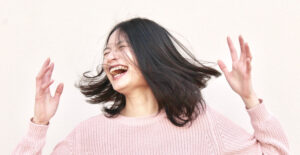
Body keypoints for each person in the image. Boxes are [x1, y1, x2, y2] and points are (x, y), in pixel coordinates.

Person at [12, 17, 289, 155]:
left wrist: (249, 97)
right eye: (107, 51)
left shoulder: (202, 124)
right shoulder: (87, 136)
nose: (109, 57)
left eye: (122, 47)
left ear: (152, 56)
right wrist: (39, 123)